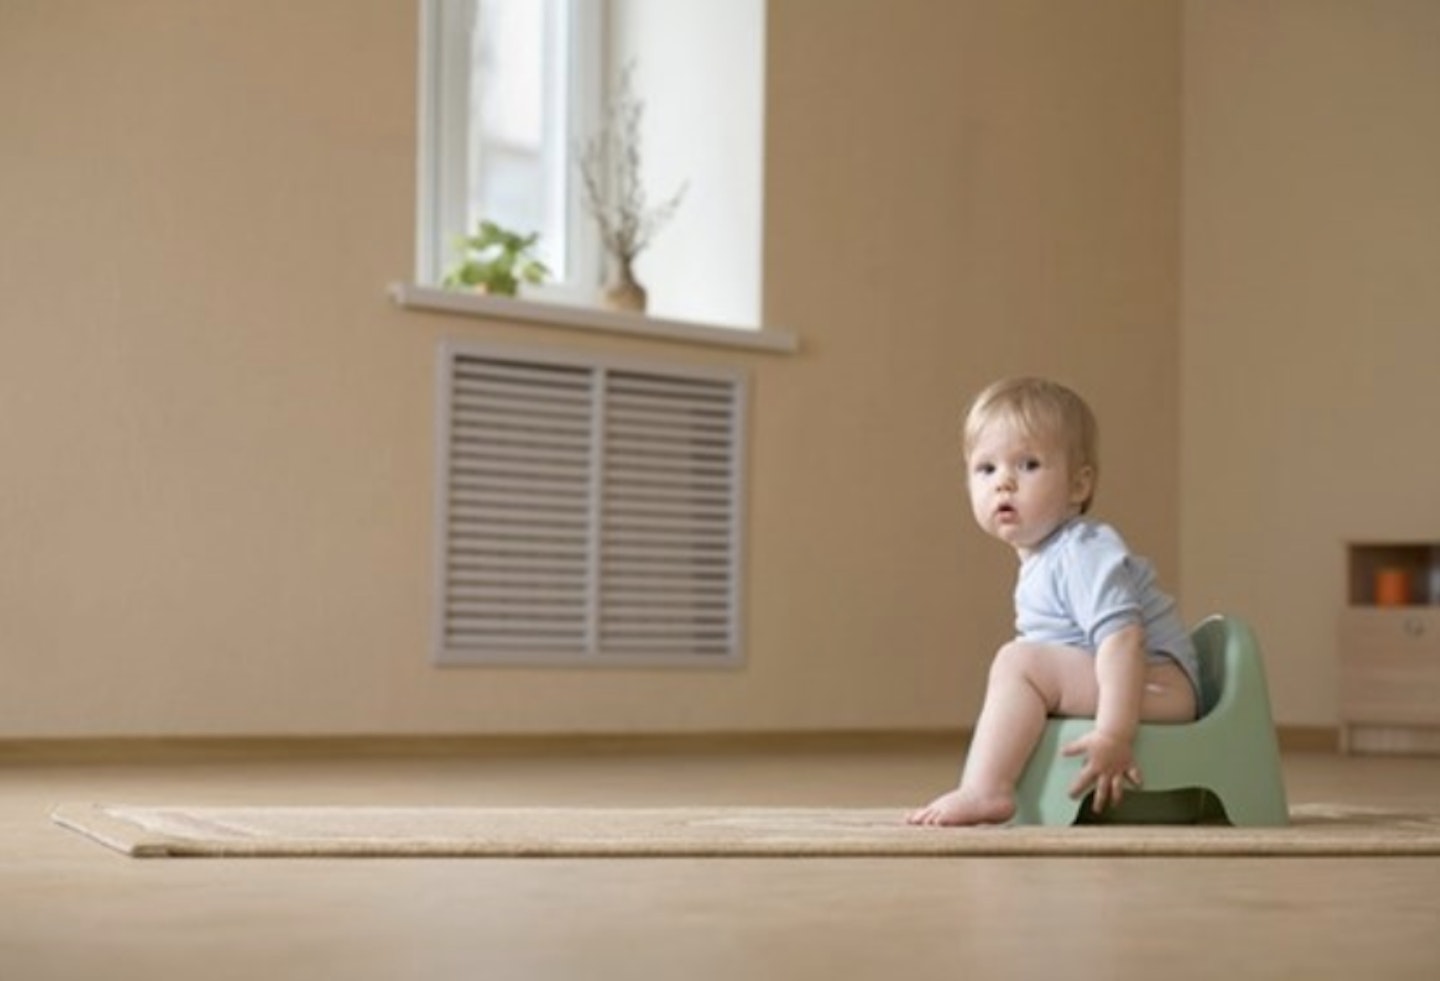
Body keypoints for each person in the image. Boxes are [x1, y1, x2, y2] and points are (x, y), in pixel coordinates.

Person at [908, 377, 1200, 827]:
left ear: (1079, 486)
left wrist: (1113, 733)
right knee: (1024, 664)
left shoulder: (1082, 551)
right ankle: (1001, 784)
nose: (1003, 482)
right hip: (1131, 680)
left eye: (1027, 464)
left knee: (1018, 663)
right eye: (985, 469)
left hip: (1158, 686)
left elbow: (1123, 641)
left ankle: (986, 790)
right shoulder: (1043, 559)